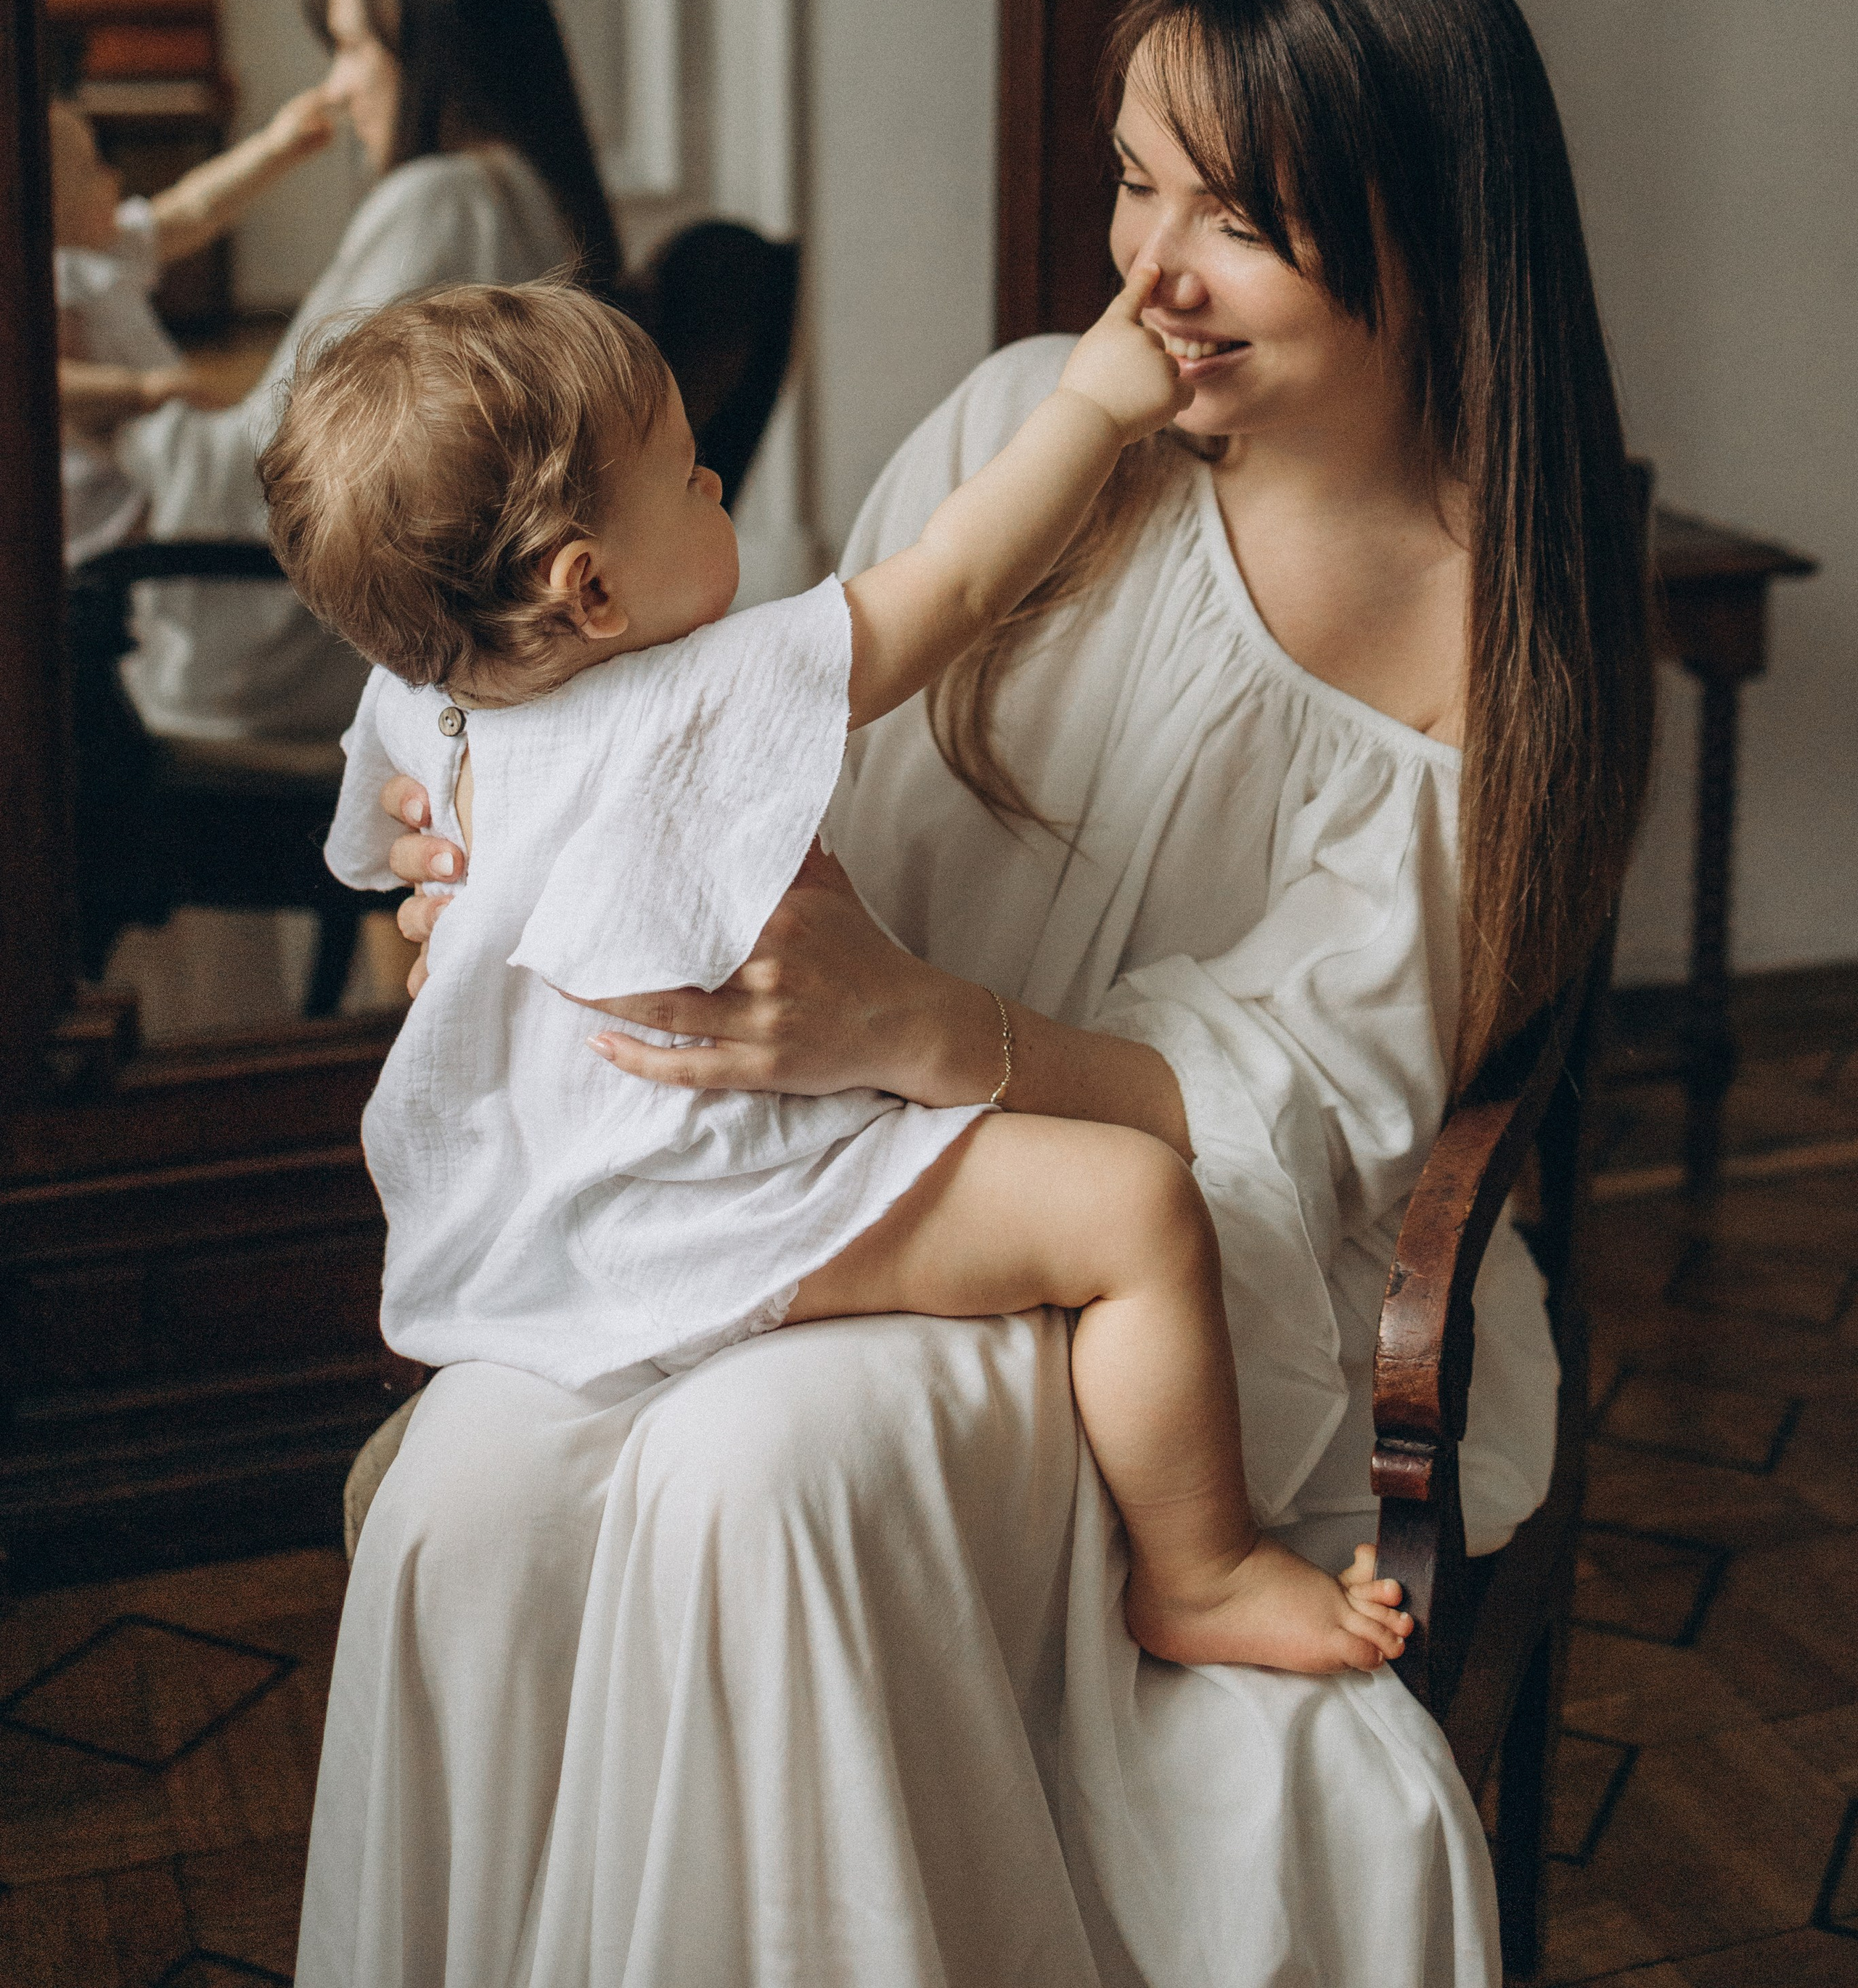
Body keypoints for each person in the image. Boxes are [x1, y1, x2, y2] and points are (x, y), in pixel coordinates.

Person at [299, 0, 1653, 1988]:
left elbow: (1313, 1122)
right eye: (1135, 179)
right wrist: (522, 877)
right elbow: (732, 736)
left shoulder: (1495, 639)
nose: (1151, 269)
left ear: (1431, 241)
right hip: (801, 1149)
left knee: (760, 1480)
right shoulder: (1039, 428)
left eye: (1240, 216)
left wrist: (945, 1032)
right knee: (466, 1495)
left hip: (1182, 1255)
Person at [262, 271, 1415, 1677]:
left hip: (536, 1218)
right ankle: (1202, 1570)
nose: (713, 484)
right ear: (590, 588)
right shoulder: (702, 688)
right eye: (686, 478)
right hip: (716, 1193)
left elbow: (400, 867)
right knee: (1132, 1208)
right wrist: (1092, 407)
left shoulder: (415, 702)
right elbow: (960, 577)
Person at [113, 0, 623, 741]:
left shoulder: (445, 200)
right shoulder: (524, 191)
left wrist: (127, 426)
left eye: (353, 49)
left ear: (438, 58)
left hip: (358, 651)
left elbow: (291, 463)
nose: (338, 88)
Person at [50, 89, 335, 564]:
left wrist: (274, 148)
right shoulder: (51, 276)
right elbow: (48, 380)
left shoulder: (108, 244)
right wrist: (139, 390)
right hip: (110, 490)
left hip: (157, 452)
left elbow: (193, 206)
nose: (113, 175)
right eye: (91, 167)